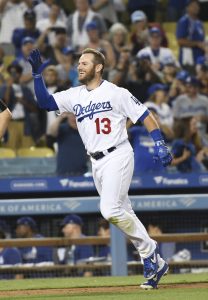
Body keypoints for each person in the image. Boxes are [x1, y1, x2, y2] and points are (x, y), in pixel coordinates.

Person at [28, 47, 172, 289]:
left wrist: (159, 142)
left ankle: (149, 252)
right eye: (79, 63)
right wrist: (36, 76)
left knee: (110, 210)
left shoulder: (116, 92)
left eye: (85, 63)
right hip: (96, 162)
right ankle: (156, 264)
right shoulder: (76, 95)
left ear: (98, 67)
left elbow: (145, 115)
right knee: (124, 211)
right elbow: (44, 101)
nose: (79, 66)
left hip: (118, 154)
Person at [176, 0, 205, 71]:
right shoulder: (184, 21)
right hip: (188, 58)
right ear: (187, 8)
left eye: (197, 5)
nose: (196, 8)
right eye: (193, 6)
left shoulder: (200, 22)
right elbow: (180, 41)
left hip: (199, 56)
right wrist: (197, 44)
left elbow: (202, 40)